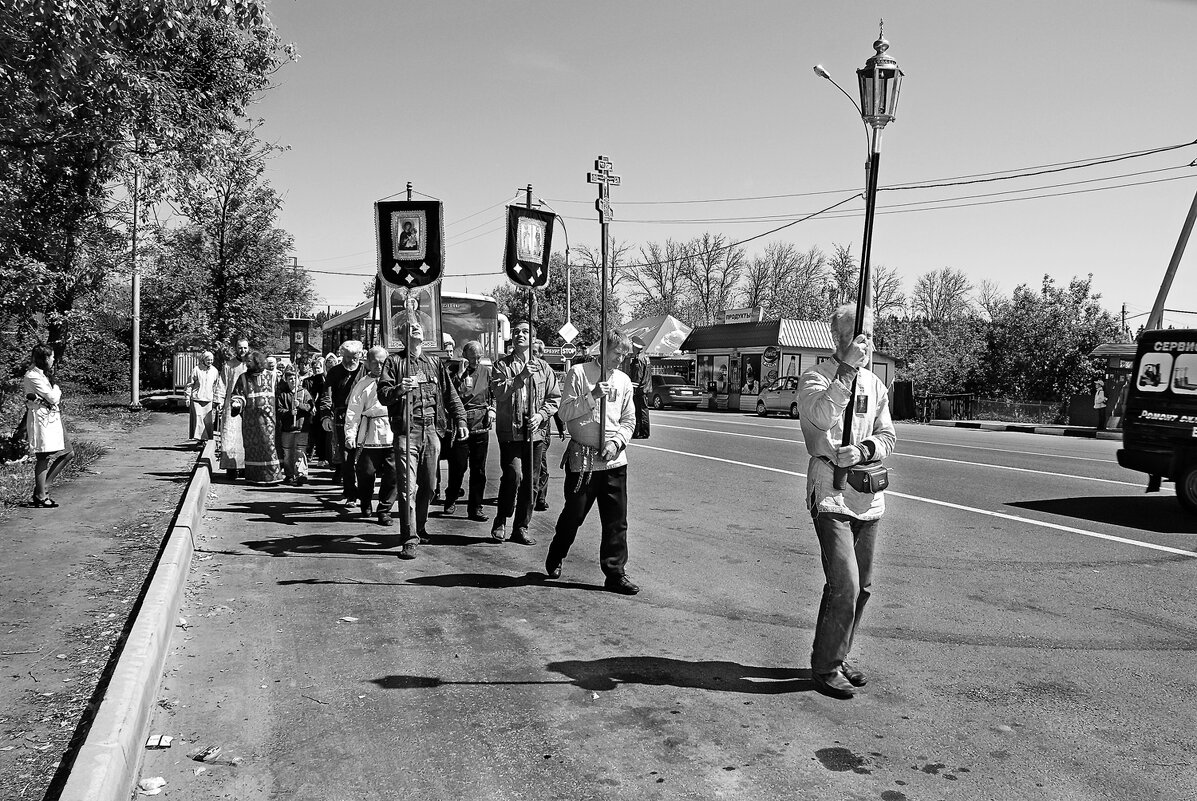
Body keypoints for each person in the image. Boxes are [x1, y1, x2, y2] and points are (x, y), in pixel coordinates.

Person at [797, 304, 896, 700]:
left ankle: (838, 654)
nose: (865, 341)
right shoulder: (815, 377)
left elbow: (888, 436)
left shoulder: (877, 384)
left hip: (868, 496)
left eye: (869, 333)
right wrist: (847, 373)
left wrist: (866, 449)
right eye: (857, 333)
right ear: (836, 337)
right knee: (845, 584)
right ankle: (824, 669)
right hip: (830, 492)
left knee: (864, 587)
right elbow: (820, 419)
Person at [545, 330, 639, 595]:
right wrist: (591, 397)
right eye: (616, 352)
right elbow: (563, 412)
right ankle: (557, 552)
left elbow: (629, 420)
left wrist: (616, 442)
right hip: (583, 461)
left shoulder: (623, 381)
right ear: (602, 350)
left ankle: (615, 573)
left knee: (616, 522)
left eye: (624, 354)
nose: (620, 359)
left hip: (614, 461)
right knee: (573, 515)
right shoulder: (578, 373)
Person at [377, 318, 468, 559]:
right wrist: (400, 388)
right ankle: (409, 538)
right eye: (410, 326)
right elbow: (383, 396)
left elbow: (451, 395)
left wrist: (460, 420)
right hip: (407, 432)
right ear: (402, 335)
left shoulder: (435, 362)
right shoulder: (394, 361)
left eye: (418, 325)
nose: (416, 327)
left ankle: (421, 525)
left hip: (432, 431)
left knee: (429, 487)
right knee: (407, 489)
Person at [490, 320, 561, 545]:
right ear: (511, 337)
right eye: (517, 331)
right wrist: (520, 377)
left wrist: (541, 415)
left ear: (532, 339)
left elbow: (554, 397)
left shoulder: (544, 367)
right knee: (513, 475)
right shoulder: (501, 365)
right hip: (510, 432)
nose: (521, 335)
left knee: (531, 481)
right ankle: (502, 518)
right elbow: (499, 393)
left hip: (535, 433)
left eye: (526, 332)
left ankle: (521, 526)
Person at [345, 346, 396, 525]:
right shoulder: (362, 385)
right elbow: (353, 412)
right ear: (367, 363)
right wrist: (350, 435)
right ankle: (365, 500)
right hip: (369, 434)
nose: (379, 366)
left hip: (391, 433)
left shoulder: (394, 382)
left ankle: (384, 509)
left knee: (393, 473)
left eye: (383, 362)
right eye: (375, 363)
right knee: (366, 472)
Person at [443, 340, 493, 521]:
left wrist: (492, 409)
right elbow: (448, 394)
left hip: (480, 424)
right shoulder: (453, 372)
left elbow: (493, 394)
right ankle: (451, 497)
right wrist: (460, 374)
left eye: (479, 357)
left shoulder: (487, 372)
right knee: (458, 466)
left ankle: (476, 507)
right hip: (461, 425)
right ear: (465, 356)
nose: (476, 361)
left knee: (478, 469)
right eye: (473, 358)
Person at [23, 343, 72, 508]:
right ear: (44, 358)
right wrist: (57, 388)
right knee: (43, 456)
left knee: (68, 453)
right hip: (41, 420)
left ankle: (43, 488)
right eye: (50, 356)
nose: (53, 359)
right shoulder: (32, 376)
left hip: (52, 418)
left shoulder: (43, 375)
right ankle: (41, 495)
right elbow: (53, 397)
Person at [319, 340, 365, 506]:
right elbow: (326, 396)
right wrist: (325, 415)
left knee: (363, 457)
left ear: (359, 355)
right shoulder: (335, 372)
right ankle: (350, 492)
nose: (350, 361)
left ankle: (364, 492)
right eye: (347, 357)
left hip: (364, 417)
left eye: (354, 357)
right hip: (342, 417)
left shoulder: (365, 370)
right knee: (346, 457)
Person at [228, 350, 285, 484]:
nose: (247, 364)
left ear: (257, 361)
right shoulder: (243, 377)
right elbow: (238, 394)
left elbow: (281, 395)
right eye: (246, 362)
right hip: (251, 421)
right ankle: (254, 476)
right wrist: (237, 403)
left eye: (250, 361)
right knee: (252, 447)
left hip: (270, 420)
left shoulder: (272, 376)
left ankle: (272, 476)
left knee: (269, 445)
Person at [215, 336, 250, 480]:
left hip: (248, 406)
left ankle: (244, 467)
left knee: (245, 437)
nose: (242, 350)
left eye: (245, 348)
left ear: (248, 348)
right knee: (230, 436)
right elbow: (222, 384)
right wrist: (219, 401)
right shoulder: (229, 365)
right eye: (240, 347)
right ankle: (230, 467)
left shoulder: (251, 365)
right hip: (231, 406)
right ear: (236, 348)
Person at [275, 364, 314, 486]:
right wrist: (289, 412)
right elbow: (279, 410)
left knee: (300, 452)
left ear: (299, 380)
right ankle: (289, 474)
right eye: (290, 378)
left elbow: (311, 407)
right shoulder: (283, 394)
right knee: (288, 453)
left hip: (302, 428)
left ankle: (301, 474)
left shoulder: (304, 393)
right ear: (286, 380)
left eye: (295, 378)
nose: (293, 381)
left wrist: (300, 405)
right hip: (287, 429)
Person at [531, 338, 555, 511]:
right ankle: (528, 493)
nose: (533, 356)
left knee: (542, 463)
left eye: (536, 352)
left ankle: (540, 497)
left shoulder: (547, 371)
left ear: (541, 354)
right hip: (525, 427)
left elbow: (554, 400)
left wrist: (560, 427)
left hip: (542, 427)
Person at [186, 350, 219, 447]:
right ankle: (201, 440)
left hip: (208, 399)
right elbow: (190, 384)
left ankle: (205, 439)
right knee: (198, 419)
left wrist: (217, 399)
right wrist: (187, 397)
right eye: (208, 360)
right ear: (203, 359)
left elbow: (216, 386)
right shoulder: (196, 369)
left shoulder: (214, 371)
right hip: (197, 398)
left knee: (207, 420)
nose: (210, 362)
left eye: (211, 360)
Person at [621, 335, 651, 438]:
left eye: (633, 347)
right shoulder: (645, 357)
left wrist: (632, 389)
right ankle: (642, 432)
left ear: (636, 347)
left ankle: (642, 432)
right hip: (644, 388)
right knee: (642, 410)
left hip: (639, 389)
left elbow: (637, 377)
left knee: (640, 411)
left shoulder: (639, 359)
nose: (632, 349)